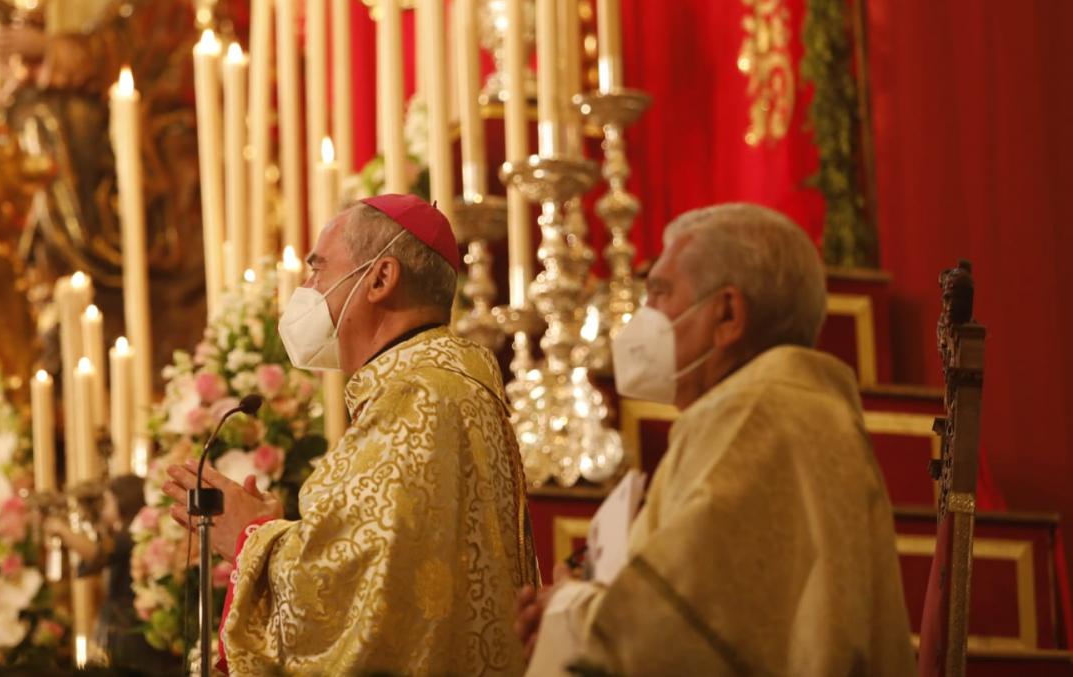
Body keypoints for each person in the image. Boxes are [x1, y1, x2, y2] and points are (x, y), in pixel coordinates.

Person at [515, 203, 916, 677]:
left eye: (660, 293)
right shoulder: (789, 407)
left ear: (726, 314)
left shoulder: (756, 419)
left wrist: (567, 611)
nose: (644, 318)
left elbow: (674, 633)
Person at [163, 194, 539, 676]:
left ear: (380, 279)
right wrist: (292, 534)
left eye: (318, 269)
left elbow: (344, 606)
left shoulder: (417, 398)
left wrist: (251, 537)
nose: (306, 287)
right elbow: (393, 582)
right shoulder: (442, 387)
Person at [46, 474, 178, 673]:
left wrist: (61, 529)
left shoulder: (132, 534)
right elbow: (86, 567)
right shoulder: (121, 534)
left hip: (129, 625)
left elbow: (97, 554)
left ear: (123, 501)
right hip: (120, 621)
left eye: (108, 502)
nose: (104, 509)